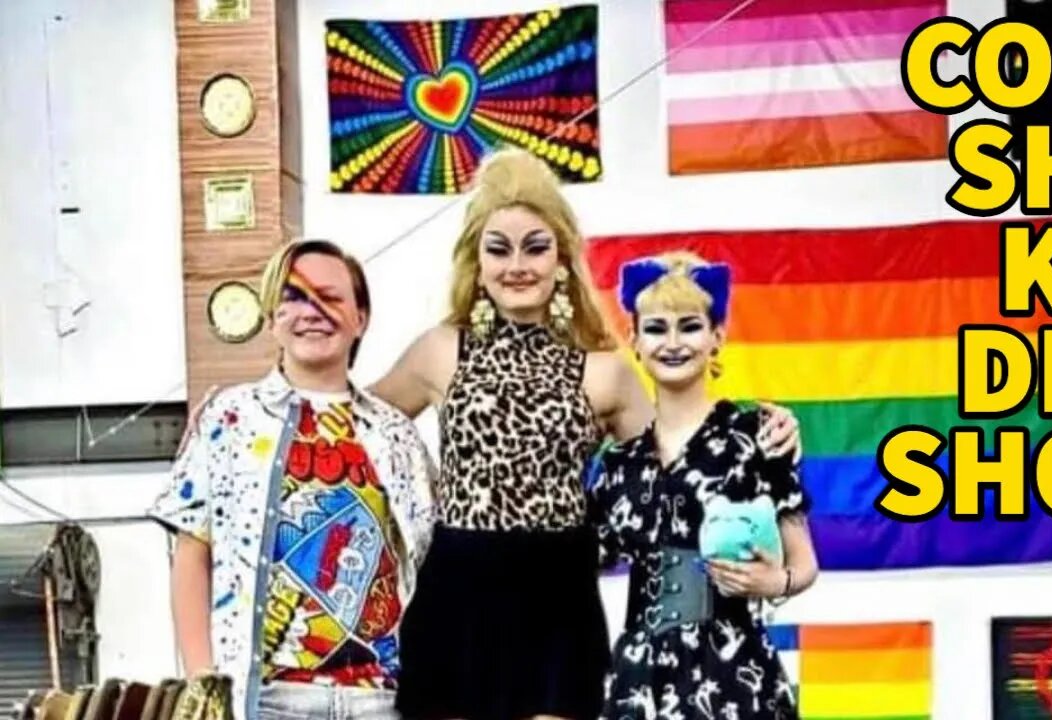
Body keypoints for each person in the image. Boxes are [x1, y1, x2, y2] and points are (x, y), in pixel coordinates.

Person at [369, 147, 801, 720]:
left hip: (557, 600)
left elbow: (678, 465)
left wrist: (763, 432)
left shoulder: (604, 369)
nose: (517, 265)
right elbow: (354, 426)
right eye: (498, 249)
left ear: (562, 259)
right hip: (457, 592)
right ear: (476, 260)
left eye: (535, 247)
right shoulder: (439, 350)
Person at [149, 239, 437, 720]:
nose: (312, 311)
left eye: (331, 297)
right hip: (268, 699)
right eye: (294, 297)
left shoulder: (397, 434)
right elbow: (191, 554)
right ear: (272, 318)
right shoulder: (229, 418)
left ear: (361, 318)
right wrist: (204, 683)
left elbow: (430, 566)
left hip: (382, 699)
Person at [588, 251, 818, 720]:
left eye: (689, 326)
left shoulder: (758, 436)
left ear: (717, 337)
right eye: (657, 328)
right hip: (641, 683)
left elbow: (804, 563)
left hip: (733, 675)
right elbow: (574, 564)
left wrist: (775, 582)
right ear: (635, 340)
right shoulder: (618, 464)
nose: (673, 343)